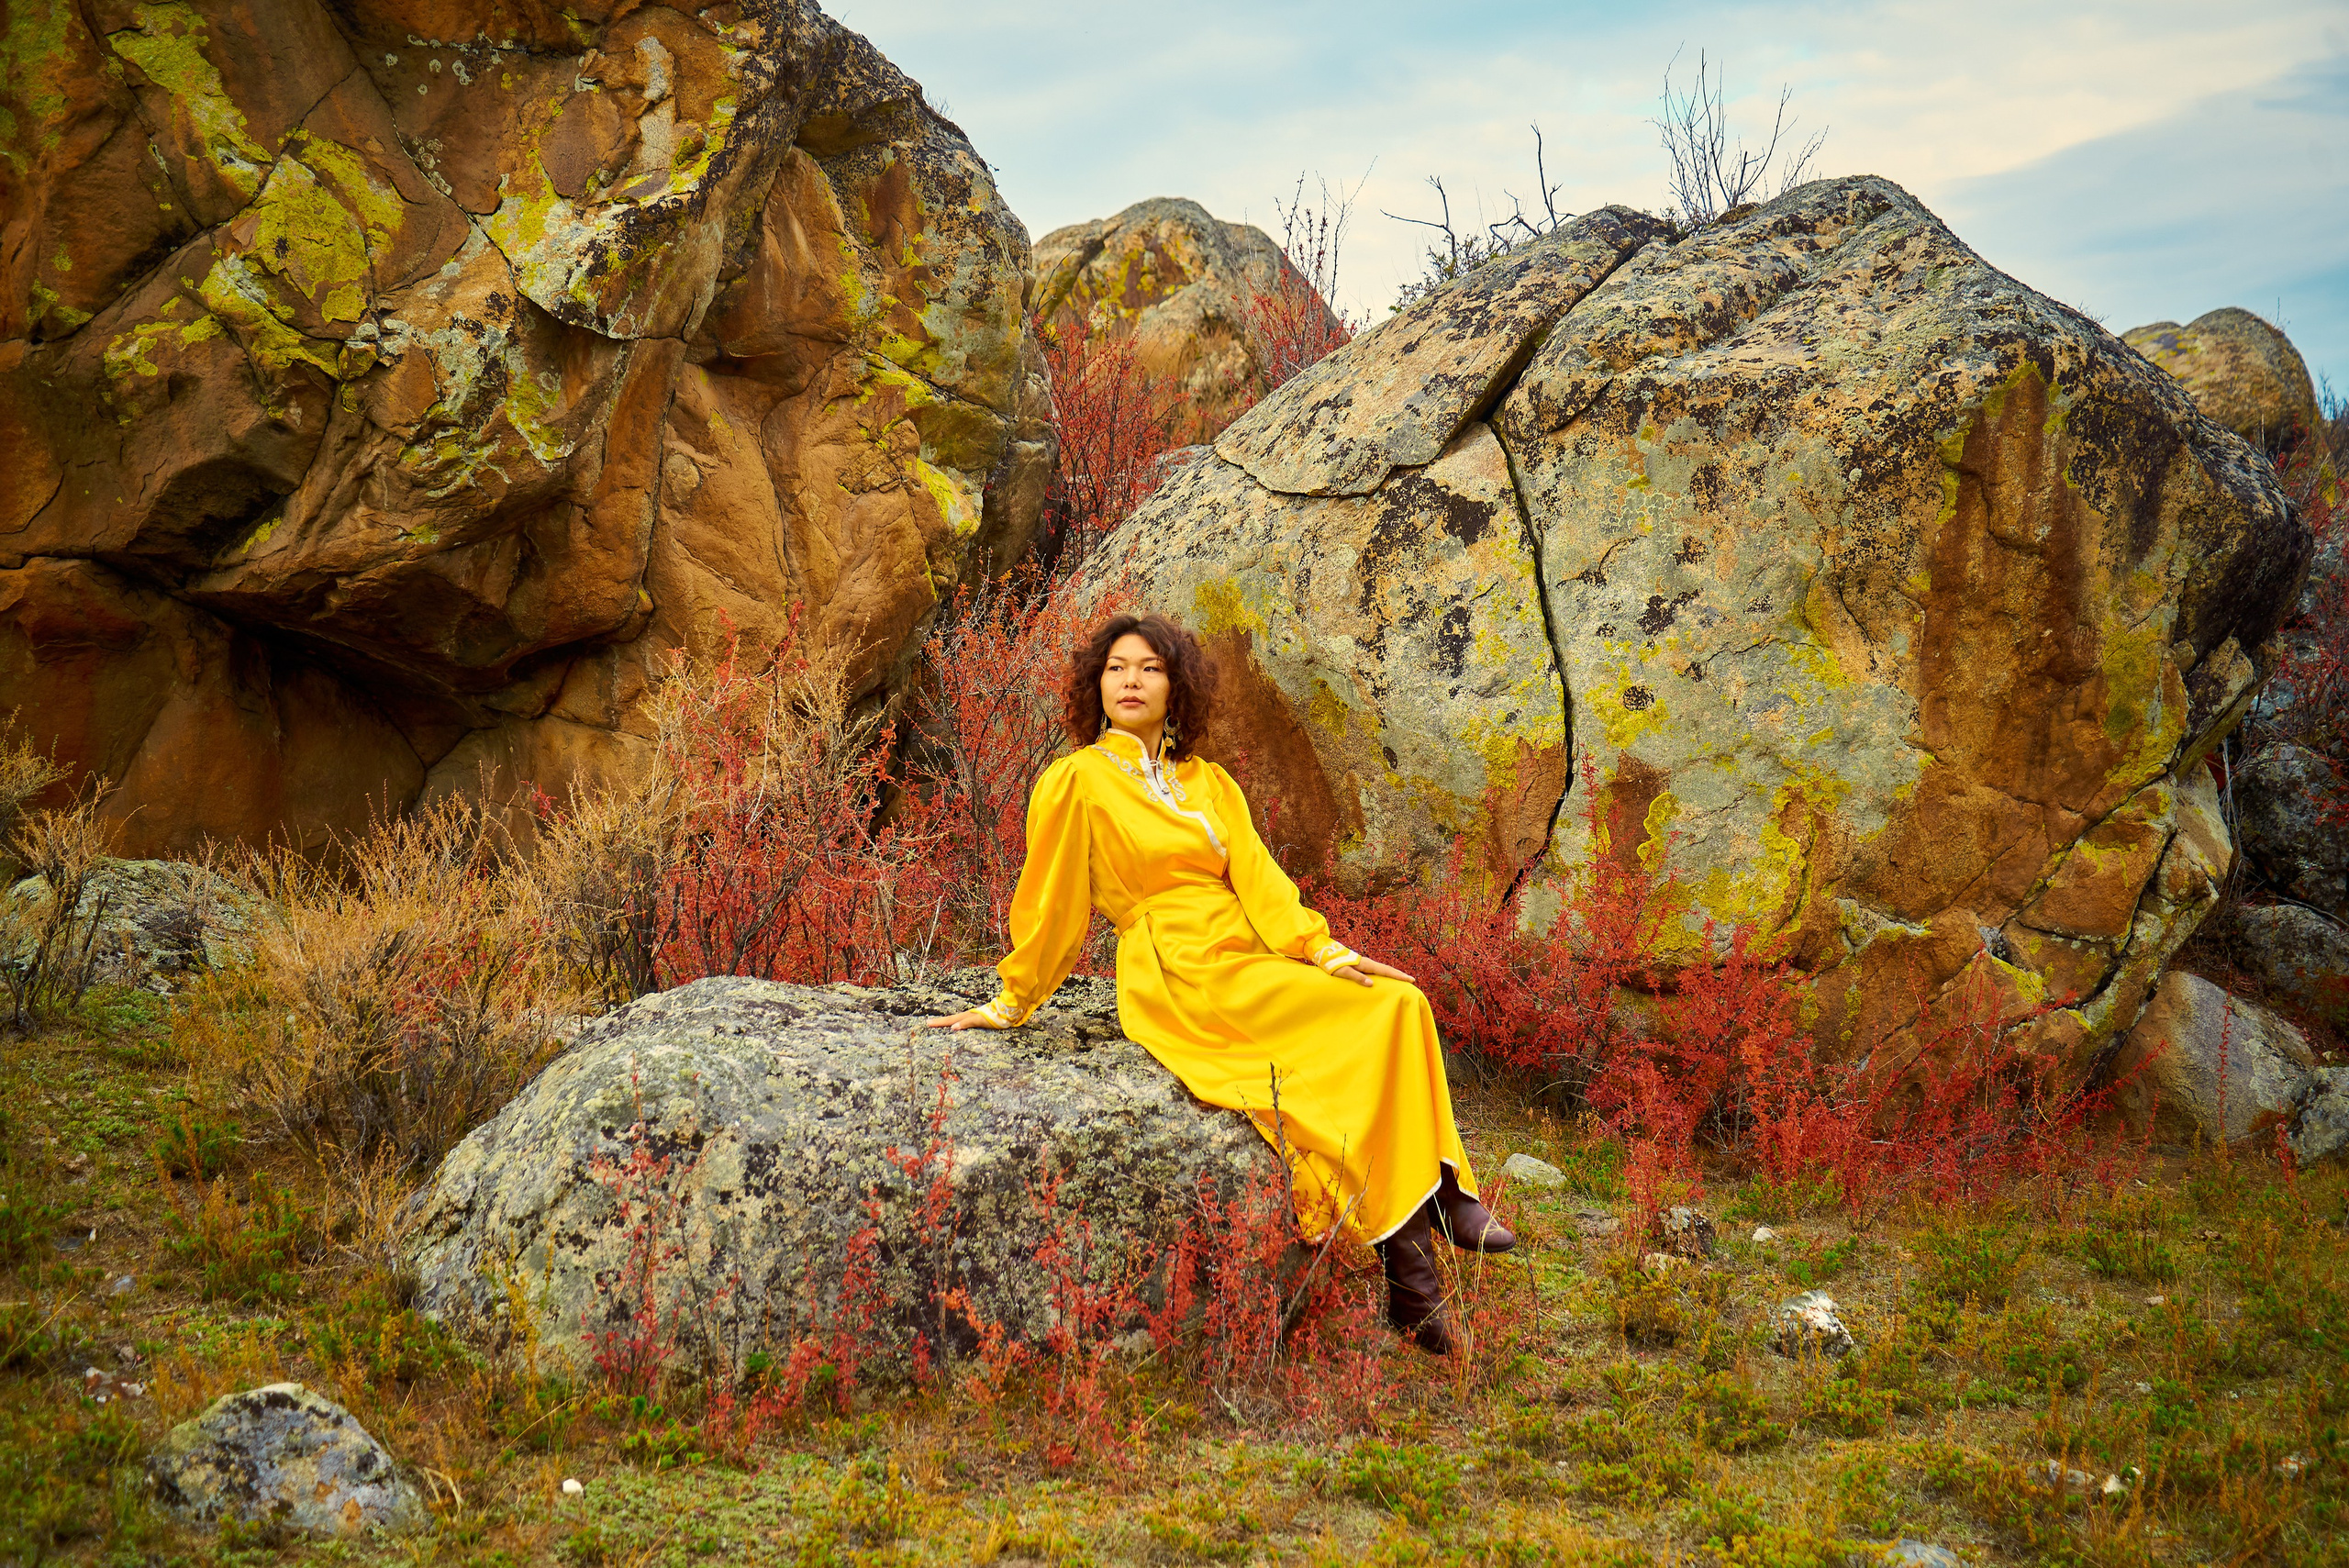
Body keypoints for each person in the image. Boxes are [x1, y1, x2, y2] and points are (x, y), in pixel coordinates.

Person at [930, 612, 1510, 1353]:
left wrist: (1324, 950)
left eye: (1149, 667)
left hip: (1245, 950)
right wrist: (1011, 1000)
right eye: (1116, 667)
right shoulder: (1076, 781)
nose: (1131, 679)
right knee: (1324, 1072)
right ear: (1095, 686)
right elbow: (1052, 906)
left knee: (1398, 1002)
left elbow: (1262, 882)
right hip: (1177, 967)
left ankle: (1447, 1197)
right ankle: (1415, 1266)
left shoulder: (1209, 782)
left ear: (1177, 686)